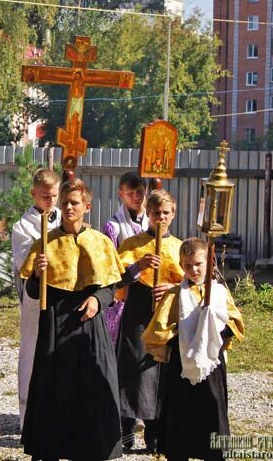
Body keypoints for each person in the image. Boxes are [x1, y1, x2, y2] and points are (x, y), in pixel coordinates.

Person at [19, 179, 124, 461]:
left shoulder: (100, 242)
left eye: (74, 203)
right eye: (64, 202)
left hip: (89, 324)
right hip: (55, 321)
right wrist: (39, 274)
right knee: (55, 386)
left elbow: (111, 286)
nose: (67, 207)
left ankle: (92, 450)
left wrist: (96, 301)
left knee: (93, 384)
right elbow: (31, 290)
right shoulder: (45, 241)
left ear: (86, 207)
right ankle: (51, 449)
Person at [142, 238, 245, 461]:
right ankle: (179, 451)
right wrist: (183, 330)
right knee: (180, 412)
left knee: (212, 408)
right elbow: (158, 332)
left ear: (209, 262)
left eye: (198, 264)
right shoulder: (174, 295)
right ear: (181, 265)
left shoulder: (218, 293)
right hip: (181, 363)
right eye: (187, 265)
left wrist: (213, 327)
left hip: (211, 363)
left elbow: (234, 324)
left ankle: (216, 454)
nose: (194, 270)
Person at [116, 189, 184, 453]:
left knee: (158, 371)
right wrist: (139, 266)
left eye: (166, 213)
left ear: (173, 215)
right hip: (138, 309)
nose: (161, 217)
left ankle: (155, 432)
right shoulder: (132, 244)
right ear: (149, 215)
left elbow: (190, 281)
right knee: (132, 366)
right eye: (156, 213)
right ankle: (125, 428)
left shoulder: (179, 247)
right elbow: (117, 278)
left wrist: (171, 287)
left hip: (167, 314)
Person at [11, 168, 61, 429]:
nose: (50, 201)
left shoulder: (64, 220)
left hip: (63, 298)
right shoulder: (22, 226)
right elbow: (23, 263)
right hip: (35, 297)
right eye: (44, 196)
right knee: (32, 352)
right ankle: (29, 420)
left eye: (54, 195)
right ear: (33, 194)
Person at [101, 172, 148, 345]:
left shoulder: (154, 220)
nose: (136, 197)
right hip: (124, 293)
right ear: (121, 194)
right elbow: (109, 266)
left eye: (140, 192)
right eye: (130, 193)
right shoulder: (113, 227)